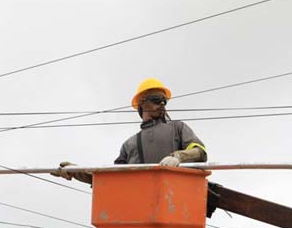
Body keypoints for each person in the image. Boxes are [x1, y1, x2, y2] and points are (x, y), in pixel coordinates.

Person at [53, 78, 207, 184]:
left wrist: (179, 156)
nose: (161, 103)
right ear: (142, 104)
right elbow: (112, 179)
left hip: (174, 198)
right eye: (155, 99)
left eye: (163, 101)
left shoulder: (177, 128)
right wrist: (76, 171)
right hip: (140, 204)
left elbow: (200, 152)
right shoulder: (129, 144)